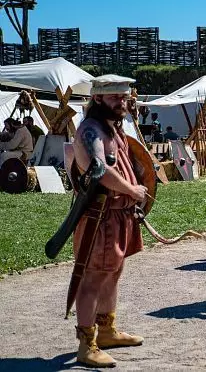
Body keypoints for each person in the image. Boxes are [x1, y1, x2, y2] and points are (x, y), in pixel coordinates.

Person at [68, 75, 149, 368]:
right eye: (115, 97)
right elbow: (98, 170)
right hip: (99, 218)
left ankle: (106, 330)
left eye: (124, 97)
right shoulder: (91, 131)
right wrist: (132, 190)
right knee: (92, 278)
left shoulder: (112, 129)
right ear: (98, 98)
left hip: (118, 216)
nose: (122, 102)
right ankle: (86, 345)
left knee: (113, 273)